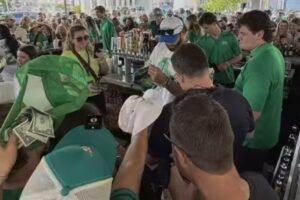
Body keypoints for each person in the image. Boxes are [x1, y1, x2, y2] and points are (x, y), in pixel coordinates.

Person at [147, 44, 255, 198]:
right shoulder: (239, 101)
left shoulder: (172, 114)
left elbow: (153, 156)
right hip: (234, 183)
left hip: (192, 189)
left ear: (180, 77)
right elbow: (250, 135)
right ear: (207, 68)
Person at [235, 10, 285, 172]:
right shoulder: (272, 52)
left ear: (260, 34)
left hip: (253, 140)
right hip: (266, 134)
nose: (239, 37)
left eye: (243, 33)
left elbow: (252, 114)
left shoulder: (260, 64)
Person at [62, 25, 109, 113]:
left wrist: (103, 60)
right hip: (80, 99)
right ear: (72, 40)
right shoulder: (66, 57)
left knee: (99, 123)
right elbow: (64, 82)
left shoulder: (92, 51)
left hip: (98, 95)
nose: (84, 41)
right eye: (79, 39)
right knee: (89, 125)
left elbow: (105, 71)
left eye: (86, 37)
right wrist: (84, 88)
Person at [147, 16, 186, 105]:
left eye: (172, 39)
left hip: (176, 105)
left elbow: (187, 94)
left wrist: (165, 81)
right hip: (157, 99)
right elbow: (151, 66)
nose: (169, 43)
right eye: (166, 39)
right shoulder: (160, 46)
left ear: (182, 33)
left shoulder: (189, 53)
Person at [197, 12, 242, 88]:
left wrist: (227, 63)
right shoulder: (201, 41)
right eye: (203, 28)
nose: (205, 31)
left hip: (228, 79)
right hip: (210, 80)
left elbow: (239, 56)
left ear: (214, 23)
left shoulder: (230, 37)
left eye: (206, 27)